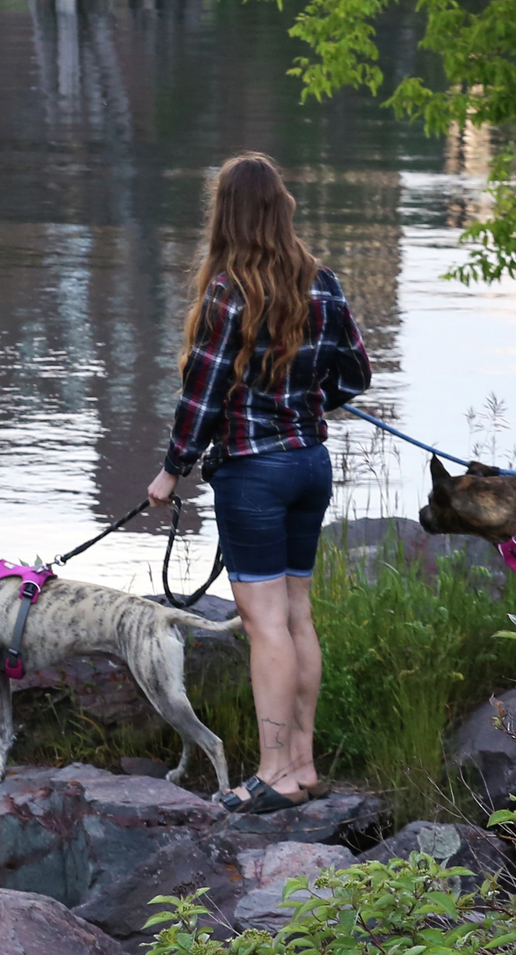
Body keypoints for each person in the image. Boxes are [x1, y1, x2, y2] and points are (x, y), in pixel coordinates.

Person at [143, 152, 370, 814]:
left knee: (265, 624)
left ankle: (274, 773)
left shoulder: (228, 292)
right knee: (297, 615)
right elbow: (355, 375)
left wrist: (172, 470)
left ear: (226, 215)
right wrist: (305, 397)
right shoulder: (323, 282)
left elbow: (203, 396)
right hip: (310, 465)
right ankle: (303, 765)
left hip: (253, 474)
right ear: (281, 209)